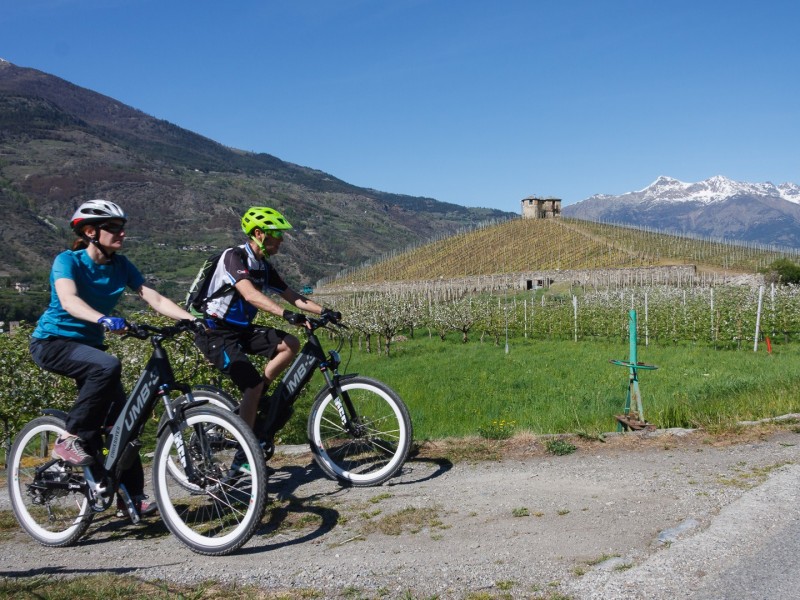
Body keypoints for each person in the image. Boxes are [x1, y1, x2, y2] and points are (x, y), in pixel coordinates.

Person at [29, 199, 202, 520]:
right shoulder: (68, 261)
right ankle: (69, 439)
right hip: (52, 343)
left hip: (89, 350)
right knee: (108, 366)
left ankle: (130, 497)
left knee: (126, 422)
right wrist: (104, 320)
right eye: (113, 228)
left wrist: (192, 320)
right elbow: (69, 300)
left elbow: (154, 296)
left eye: (122, 228)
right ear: (91, 231)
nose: (121, 233)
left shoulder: (121, 265)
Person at [192, 206, 339, 470]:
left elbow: (292, 295)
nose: (281, 240)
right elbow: (249, 295)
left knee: (289, 344)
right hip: (214, 331)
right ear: (259, 234)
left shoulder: (263, 266)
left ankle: (259, 393)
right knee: (250, 386)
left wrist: (324, 311)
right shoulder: (233, 257)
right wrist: (286, 315)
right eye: (276, 234)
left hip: (240, 329)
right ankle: (243, 455)